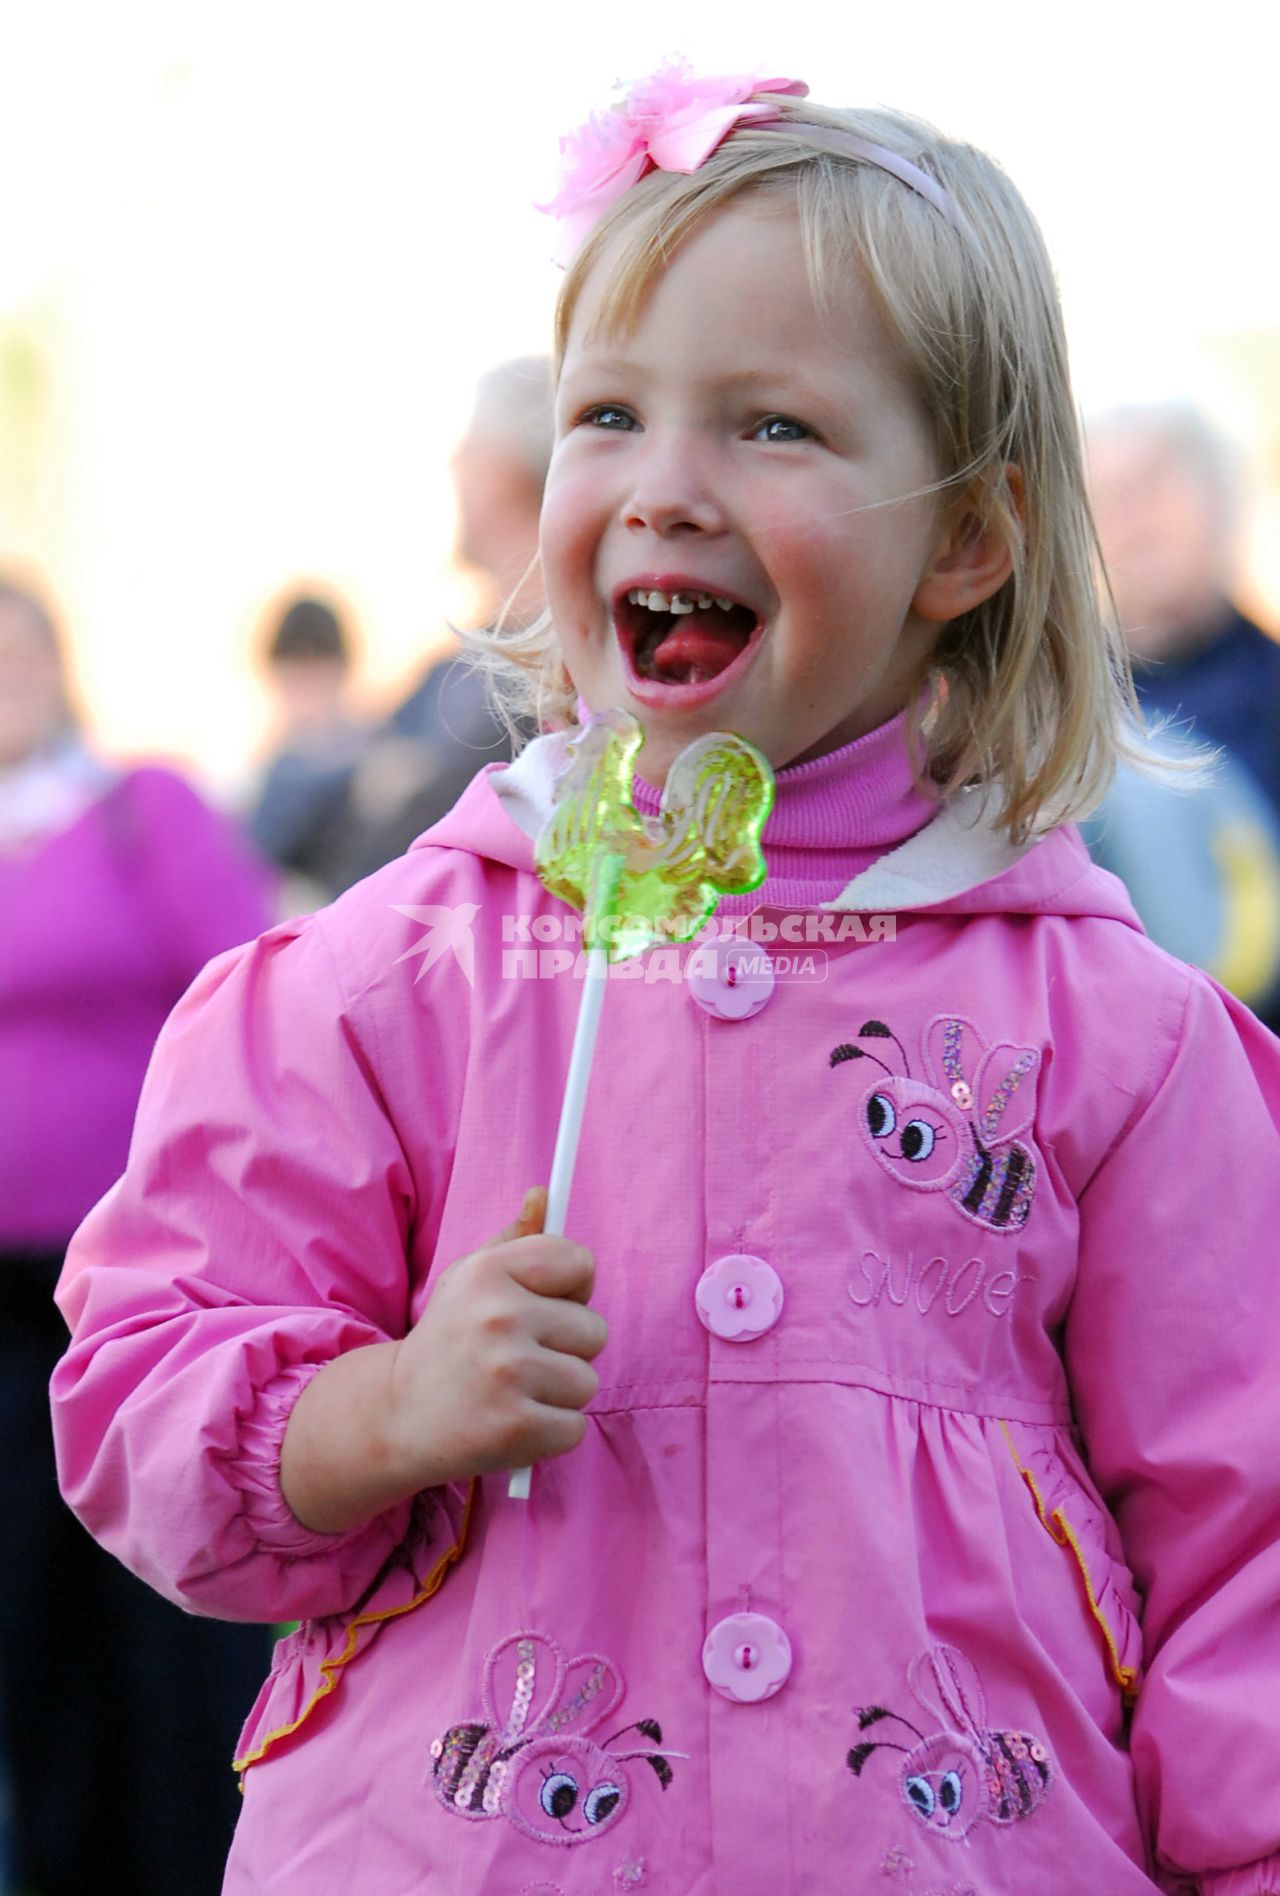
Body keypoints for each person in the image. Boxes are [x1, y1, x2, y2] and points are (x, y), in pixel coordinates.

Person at [49, 66, 1280, 1895]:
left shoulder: (1112, 1032)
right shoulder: (394, 980)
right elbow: (143, 1392)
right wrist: (377, 1414)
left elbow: (1243, 1542)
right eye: (607, 414)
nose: (662, 488)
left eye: (772, 426)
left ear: (969, 536)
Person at [0, 577, 276, 1895]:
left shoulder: (135, 811)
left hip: (128, 1283)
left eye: (17, 656)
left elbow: (248, 984)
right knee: (30, 1628)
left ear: (57, 669)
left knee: (166, 1608)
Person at [328, 358, 549, 887]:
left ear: (502, 473)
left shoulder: (550, 687)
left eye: (470, 445)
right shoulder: (451, 670)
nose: (454, 462)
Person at [248, 591, 368, 904]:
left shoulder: (370, 758)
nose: (302, 691)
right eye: (293, 676)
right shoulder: (275, 764)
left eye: (312, 674)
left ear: (338, 670)